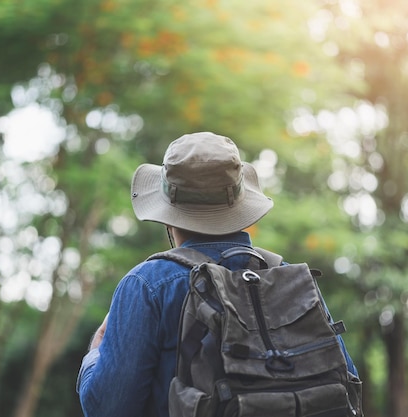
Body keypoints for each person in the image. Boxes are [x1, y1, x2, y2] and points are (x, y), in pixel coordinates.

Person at [76, 131, 358, 417]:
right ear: (239, 199)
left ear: (168, 214)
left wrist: (96, 351)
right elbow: (347, 384)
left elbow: (106, 409)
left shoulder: (148, 285)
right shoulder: (292, 281)